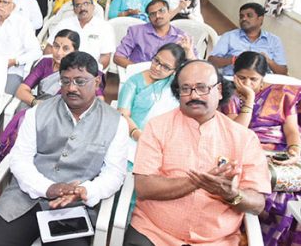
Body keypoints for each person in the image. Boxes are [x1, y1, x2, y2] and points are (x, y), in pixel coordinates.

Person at [0, 51, 128, 246]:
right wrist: (47, 188)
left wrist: (84, 190)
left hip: (74, 206)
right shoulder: (38, 111)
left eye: (80, 81)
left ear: (97, 82)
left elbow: (114, 174)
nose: (71, 88)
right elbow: (20, 160)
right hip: (25, 199)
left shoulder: (115, 122)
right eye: (65, 81)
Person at [125, 60, 271, 246]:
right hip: (153, 233)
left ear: (219, 91)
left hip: (216, 241)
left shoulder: (244, 138)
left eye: (202, 88)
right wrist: (195, 182)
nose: (194, 95)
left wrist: (232, 194)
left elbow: (258, 203)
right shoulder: (157, 127)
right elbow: (144, 187)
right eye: (185, 89)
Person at [223, 52, 301, 244]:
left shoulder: (281, 94)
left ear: (262, 77)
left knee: (294, 194)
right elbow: (238, 131)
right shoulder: (228, 95)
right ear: (233, 75)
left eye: (253, 79)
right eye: (241, 78)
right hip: (249, 152)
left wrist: (294, 150)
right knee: (276, 200)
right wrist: (249, 99)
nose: (247, 83)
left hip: (281, 153)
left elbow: (291, 129)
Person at [0, 29, 107, 160]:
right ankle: (18, 161)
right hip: (40, 108)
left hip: (66, 116)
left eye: (65, 48)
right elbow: (21, 90)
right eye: (56, 46)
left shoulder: (84, 70)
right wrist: (36, 103)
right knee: (23, 122)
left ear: (75, 51)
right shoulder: (45, 64)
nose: (59, 52)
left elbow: (99, 100)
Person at [117, 43, 187, 168]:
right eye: (156, 61)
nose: (157, 68)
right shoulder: (134, 82)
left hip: (165, 142)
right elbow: (122, 115)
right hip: (132, 139)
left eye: (165, 67)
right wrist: (138, 135)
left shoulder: (175, 84)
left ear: (174, 71)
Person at [209, 2, 287, 76]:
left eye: (249, 15)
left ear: (260, 19)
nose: (244, 19)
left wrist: (268, 61)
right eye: (241, 16)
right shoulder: (229, 36)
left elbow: (283, 72)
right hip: (233, 79)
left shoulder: (274, 40)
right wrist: (234, 60)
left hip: (262, 83)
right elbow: (211, 61)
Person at [114, 0, 196, 68]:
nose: (157, 16)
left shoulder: (182, 37)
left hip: (169, 82)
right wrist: (139, 70)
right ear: (149, 18)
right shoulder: (136, 31)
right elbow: (118, 57)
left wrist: (189, 53)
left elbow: (196, 65)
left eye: (161, 11)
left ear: (169, 12)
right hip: (140, 78)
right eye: (152, 14)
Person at [45, 0, 115, 69]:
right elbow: (49, 48)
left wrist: (92, 71)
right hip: (62, 68)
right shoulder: (64, 24)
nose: (82, 8)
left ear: (93, 6)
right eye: (78, 5)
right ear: (74, 10)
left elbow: (105, 56)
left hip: (89, 72)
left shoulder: (105, 27)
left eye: (86, 4)